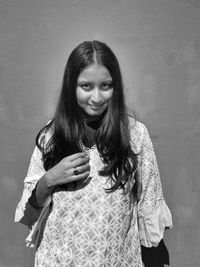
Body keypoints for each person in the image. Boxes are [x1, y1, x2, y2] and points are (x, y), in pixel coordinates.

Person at [15, 40, 172, 267]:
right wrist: (49, 179)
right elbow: (31, 210)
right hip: (58, 259)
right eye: (86, 86)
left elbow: (149, 201)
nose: (97, 98)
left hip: (115, 259)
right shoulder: (52, 135)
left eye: (105, 86)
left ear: (115, 86)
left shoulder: (135, 134)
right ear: (71, 86)